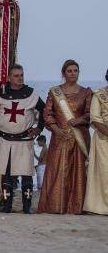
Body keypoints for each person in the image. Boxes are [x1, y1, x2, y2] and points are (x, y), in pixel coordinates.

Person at [0, 64, 44, 214]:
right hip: (5, 140)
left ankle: (26, 206)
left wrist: (38, 129)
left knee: (26, 174)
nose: (20, 78)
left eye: (22, 75)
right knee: (7, 175)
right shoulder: (1, 95)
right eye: (16, 76)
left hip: (25, 141)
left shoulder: (31, 94)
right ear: (9, 78)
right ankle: (7, 205)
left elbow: (45, 110)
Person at [38, 59, 92, 214]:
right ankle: (56, 205)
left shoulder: (86, 92)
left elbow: (90, 113)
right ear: (64, 73)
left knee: (78, 172)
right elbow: (47, 113)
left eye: (75, 70)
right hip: (60, 137)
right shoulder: (55, 92)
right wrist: (55, 129)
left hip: (79, 137)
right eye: (70, 71)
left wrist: (80, 120)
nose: (73, 73)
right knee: (57, 170)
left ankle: (77, 207)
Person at [83, 68, 108, 215]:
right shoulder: (99, 96)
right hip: (103, 141)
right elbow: (95, 119)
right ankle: (101, 207)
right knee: (104, 173)